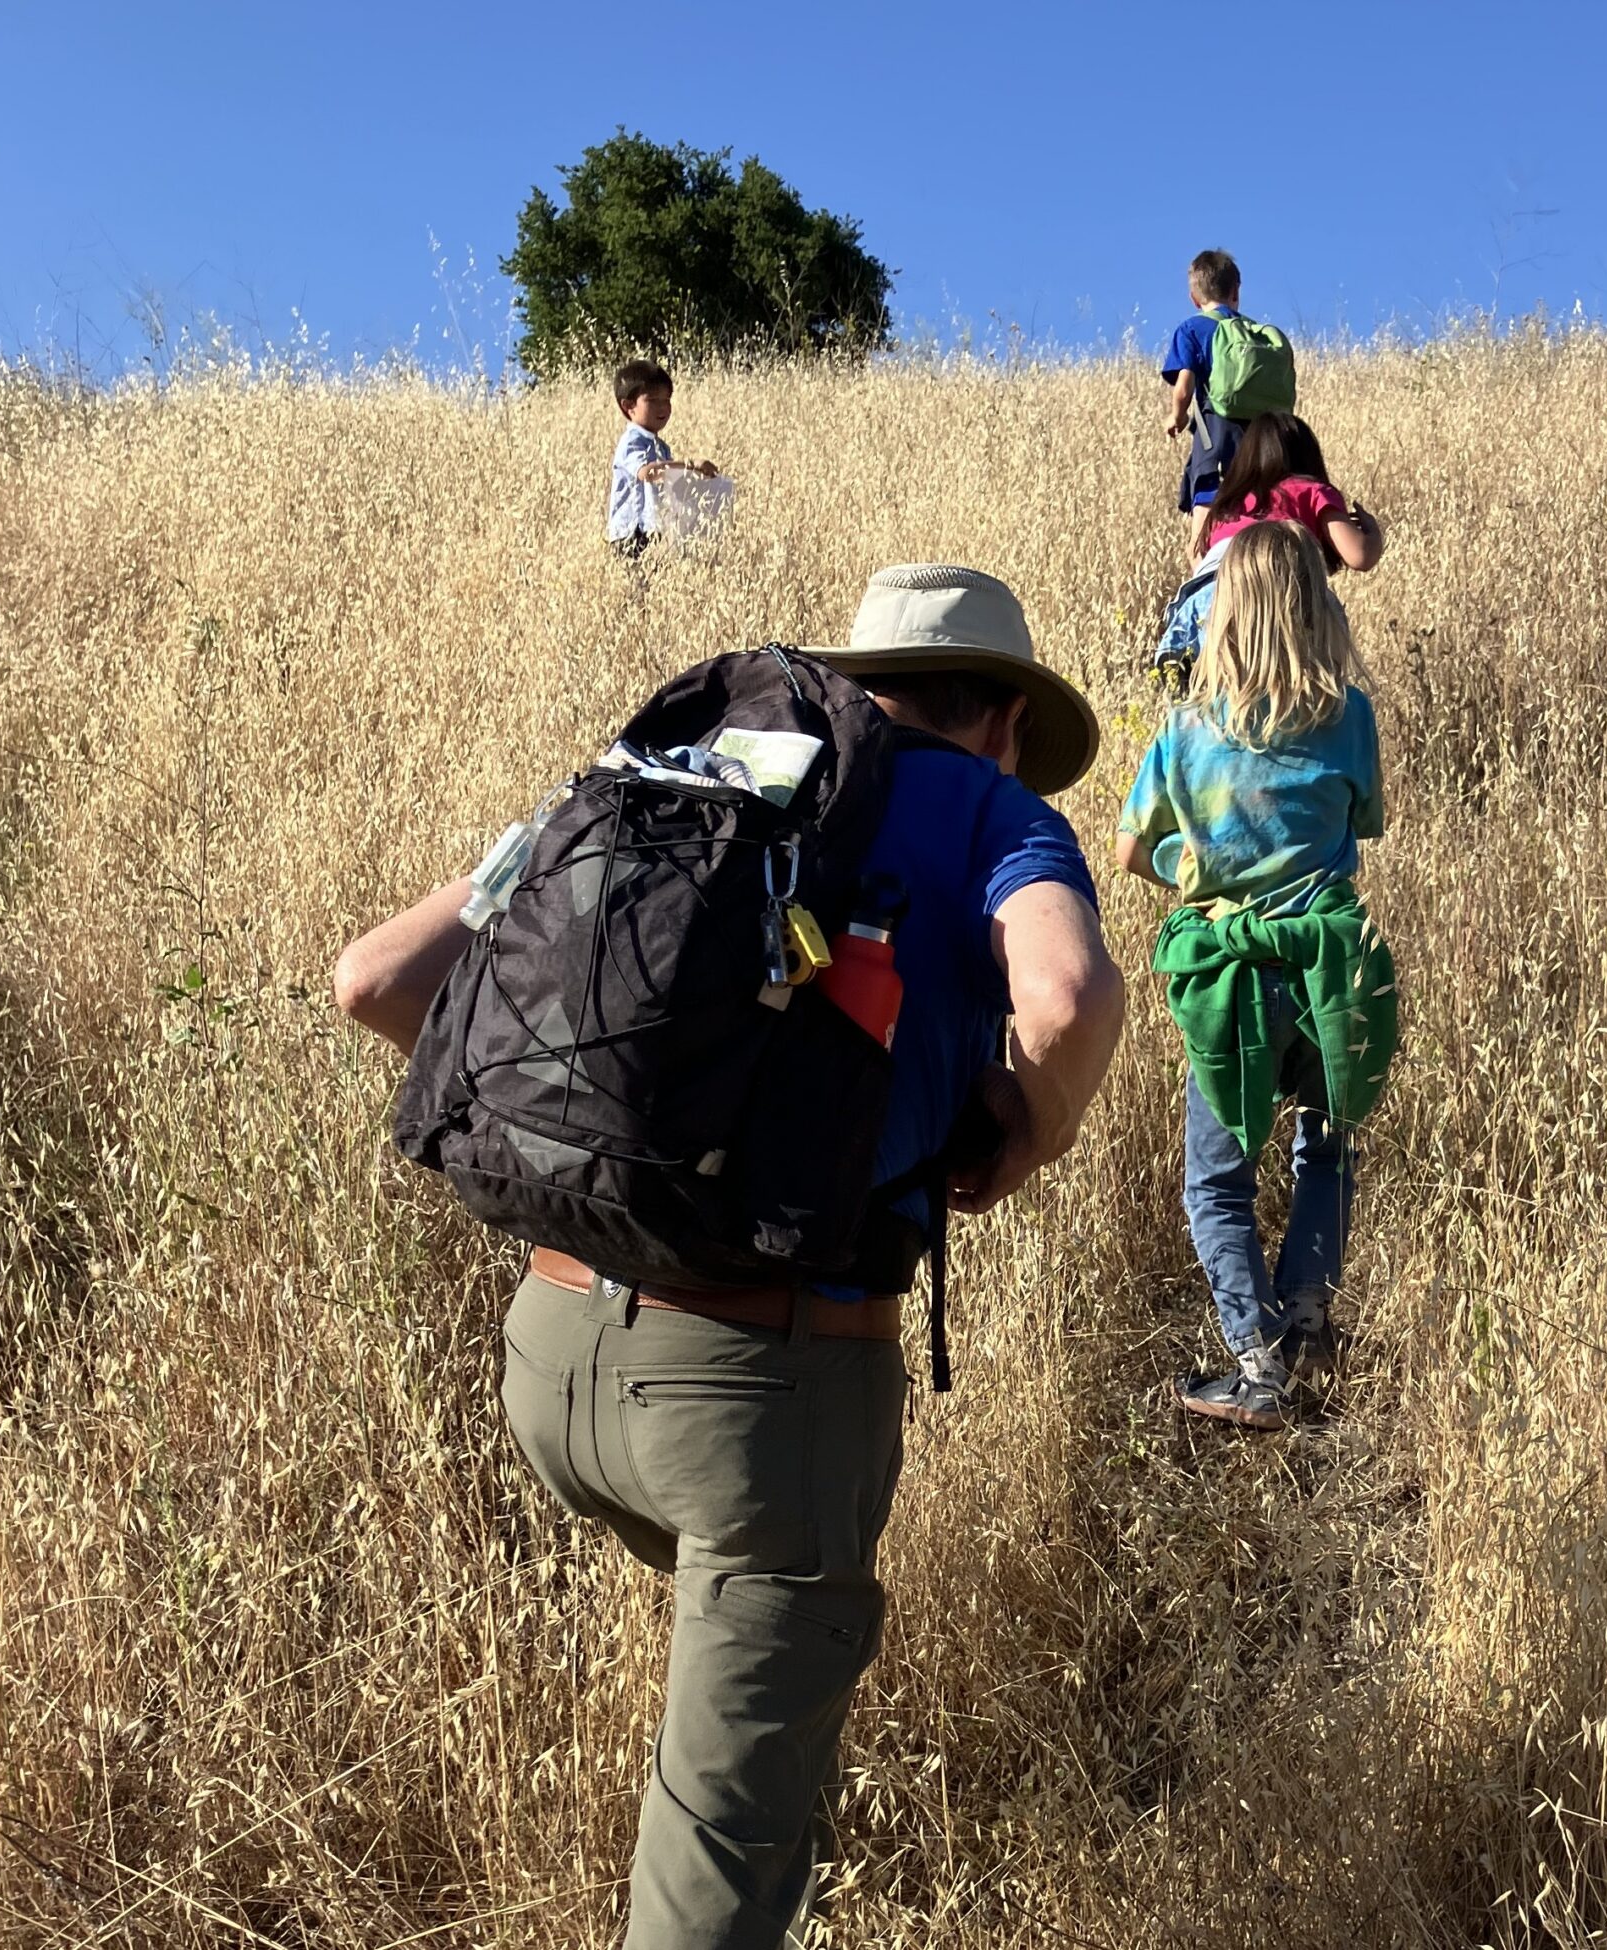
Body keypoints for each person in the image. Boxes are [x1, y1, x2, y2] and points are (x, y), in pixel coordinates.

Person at [333, 565, 1127, 1948]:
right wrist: (1027, 1131)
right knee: (714, 1889)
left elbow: (375, 981)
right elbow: (1065, 998)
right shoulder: (994, 812)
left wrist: (615, 1161)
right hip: (762, 1400)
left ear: (863, 679)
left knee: (759, 1725)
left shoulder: (684, 769)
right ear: (1003, 719)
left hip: (552, 1360)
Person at [1114, 522, 1398, 1432]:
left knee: (1217, 1180)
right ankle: (1308, 1320)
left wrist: (1195, 870)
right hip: (1328, 971)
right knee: (1327, 1144)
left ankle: (1256, 1362)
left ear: (1223, 614)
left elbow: (1130, 849)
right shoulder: (1351, 718)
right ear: (1318, 609)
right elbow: (1365, 822)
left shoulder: (1185, 732)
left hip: (1229, 976)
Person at [1202, 412, 1384, 574]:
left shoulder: (1228, 502)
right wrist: (1373, 531)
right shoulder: (1313, 492)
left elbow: (1200, 556)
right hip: (1275, 576)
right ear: (1308, 456)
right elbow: (1360, 556)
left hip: (1214, 583)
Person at [1160, 249, 1250, 558]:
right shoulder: (1255, 333)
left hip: (1216, 446)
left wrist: (1177, 417)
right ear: (1236, 292)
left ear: (1194, 298)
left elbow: (1184, 387)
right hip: (1262, 449)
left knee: (1199, 547)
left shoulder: (1193, 329)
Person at [606, 358, 724, 560]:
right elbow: (647, 472)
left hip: (653, 531)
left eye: (667, 400)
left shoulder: (661, 447)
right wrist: (691, 465)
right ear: (628, 406)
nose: (663, 407)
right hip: (629, 534)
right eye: (653, 401)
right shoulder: (631, 442)